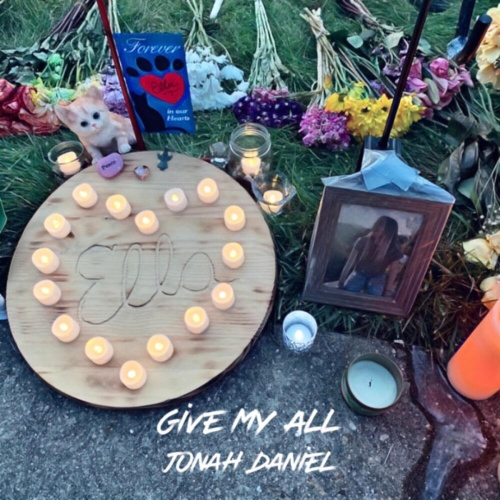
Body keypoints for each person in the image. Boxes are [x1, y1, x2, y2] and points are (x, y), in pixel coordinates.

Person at [338, 216, 403, 296]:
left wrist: (388, 290)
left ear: (389, 229)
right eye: (377, 223)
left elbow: (393, 270)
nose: (376, 225)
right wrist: (341, 280)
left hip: (378, 276)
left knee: (374, 294)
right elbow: (350, 262)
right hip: (360, 272)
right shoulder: (362, 241)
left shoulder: (394, 248)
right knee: (350, 290)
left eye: (380, 224)